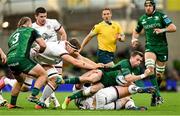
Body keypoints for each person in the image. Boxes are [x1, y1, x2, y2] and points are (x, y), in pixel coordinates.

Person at [59, 51, 154, 109]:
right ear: (132, 57)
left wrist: (138, 86)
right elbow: (128, 78)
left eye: (140, 61)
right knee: (92, 79)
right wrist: (144, 75)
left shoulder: (136, 69)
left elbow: (131, 80)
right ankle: (64, 81)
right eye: (137, 59)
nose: (139, 62)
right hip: (105, 75)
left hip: (110, 83)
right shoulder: (125, 63)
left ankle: (69, 98)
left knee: (92, 90)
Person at [31, 38, 104, 109]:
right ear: (68, 45)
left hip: (42, 61)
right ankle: (33, 96)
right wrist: (95, 67)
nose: (74, 53)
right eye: (74, 50)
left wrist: (97, 66)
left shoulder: (67, 47)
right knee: (23, 85)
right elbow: (76, 62)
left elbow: (81, 58)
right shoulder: (60, 49)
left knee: (56, 80)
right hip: (31, 58)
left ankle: (41, 102)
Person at [131, 0, 176, 106]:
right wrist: (134, 39)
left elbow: (173, 28)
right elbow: (136, 31)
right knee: (150, 69)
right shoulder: (142, 19)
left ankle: (154, 95)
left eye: (150, 5)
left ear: (154, 6)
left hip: (162, 48)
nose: (148, 7)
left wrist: (162, 30)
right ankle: (158, 95)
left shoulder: (161, 16)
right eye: (146, 6)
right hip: (150, 47)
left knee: (159, 75)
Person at [6, 17, 48, 109]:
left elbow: (12, 46)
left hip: (10, 60)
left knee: (20, 81)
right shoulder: (31, 30)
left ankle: (12, 104)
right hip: (21, 59)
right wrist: (40, 51)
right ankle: (33, 95)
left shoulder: (13, 34)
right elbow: (43, 45)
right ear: (29, 23)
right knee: (43, 75)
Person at [31, 6, 67, 108]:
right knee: (49, 78)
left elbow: (63, 33)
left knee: (57, 80)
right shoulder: (32, 28)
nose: (44, 19)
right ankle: (45, 101)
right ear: (36, 16)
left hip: (56, 54)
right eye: (41, 16)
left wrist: (61, 46)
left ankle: (50, 98)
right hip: (43, 56)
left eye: (45, 16)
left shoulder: (53, 22)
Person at [73, 84, 147, 110]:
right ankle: (131, 106)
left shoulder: (76, 96)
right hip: (100, 99)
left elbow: (79, 83)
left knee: (126, 99)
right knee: (127, 98)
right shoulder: (80, 89)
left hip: (95, 108)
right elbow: (79, 84)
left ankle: (131, 107)